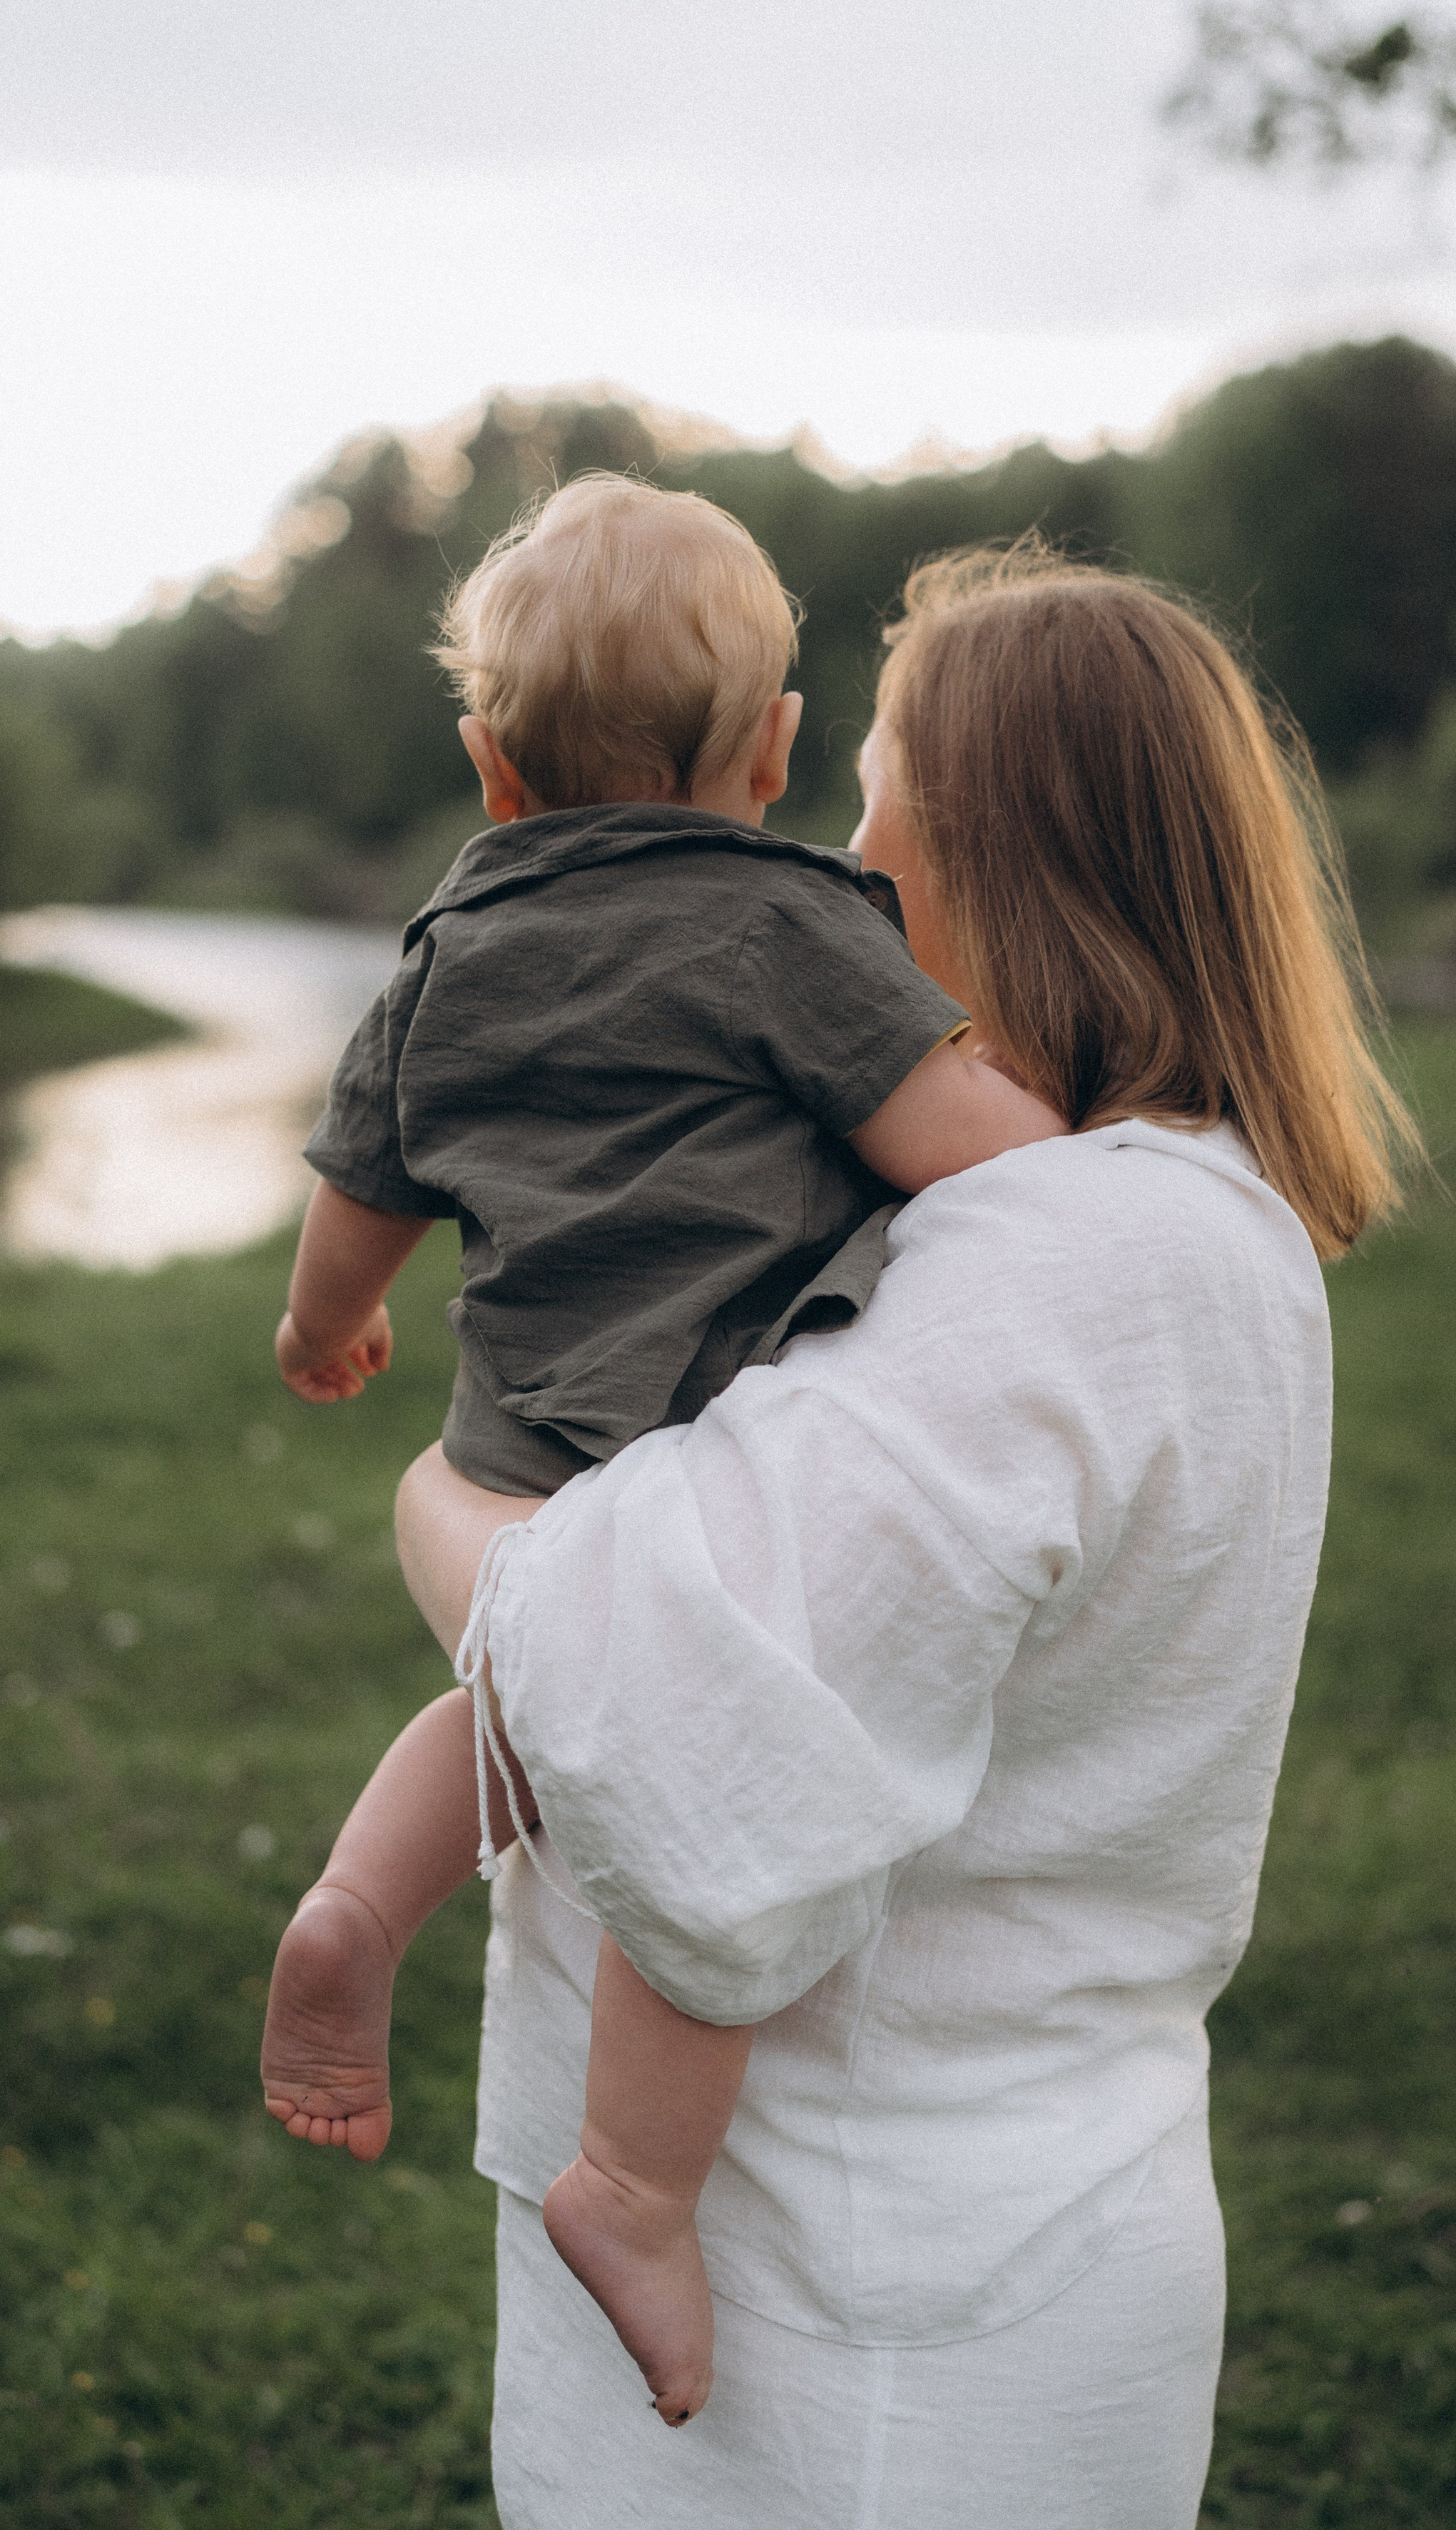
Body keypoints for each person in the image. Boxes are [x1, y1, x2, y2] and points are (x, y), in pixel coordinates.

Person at [393, 542, 1420, 2529]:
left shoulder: (1068, 1247)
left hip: (860, 2315)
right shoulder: (1187, 1218)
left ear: (1002, 852)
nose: (843, 864)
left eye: (873, 798)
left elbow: (678, 1689)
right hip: (971, 2228)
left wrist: (443, 1505)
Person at [259, 478, 1066, 2421]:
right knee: (713, 1810)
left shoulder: (443, 954)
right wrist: (1067, 1129)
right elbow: (964, 1152)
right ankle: (634, 2179)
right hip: (705, 1441)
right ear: (780, 748)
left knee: (525, 1710)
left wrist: (320, 1327)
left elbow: (356, 1192)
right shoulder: (790, 927)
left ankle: (355, 1907)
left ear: (492, 764)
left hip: (523, 1439)